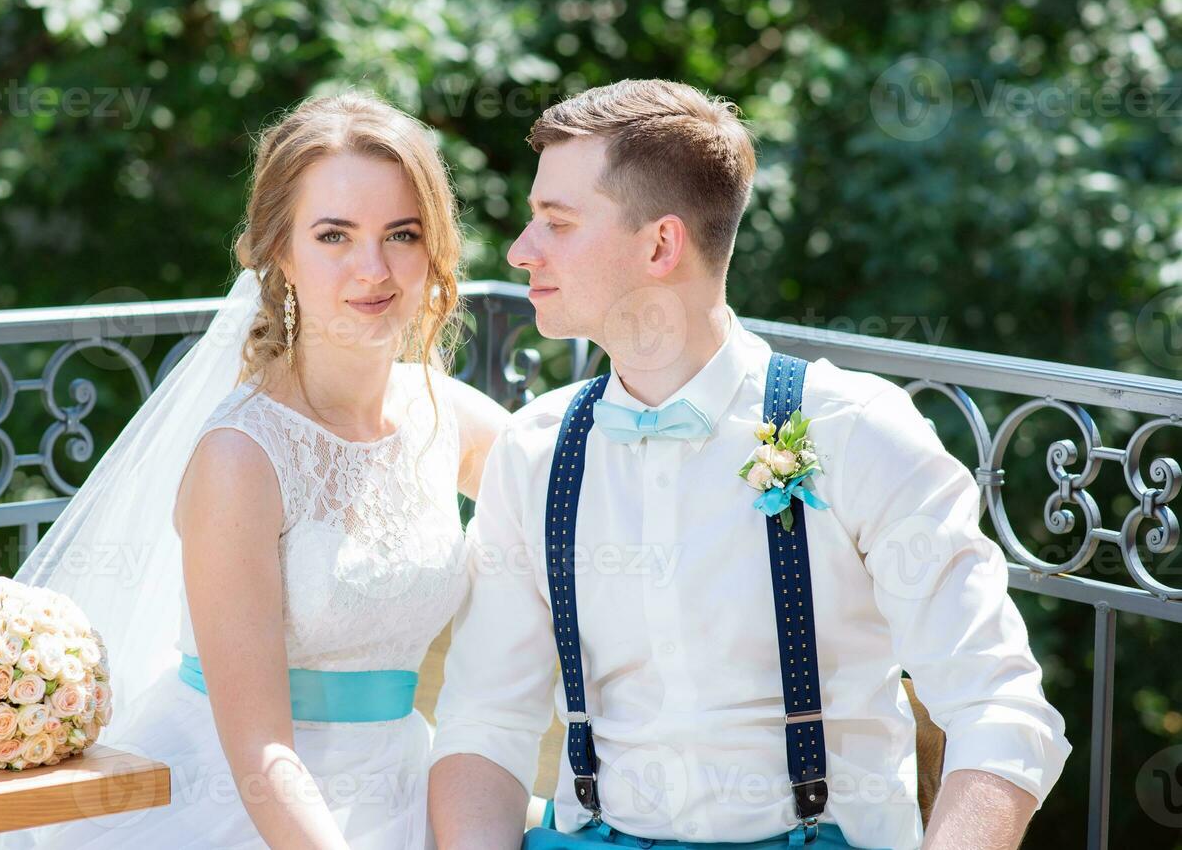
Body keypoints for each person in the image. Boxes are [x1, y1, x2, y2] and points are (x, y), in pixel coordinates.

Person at [427, 79, 1072, 850]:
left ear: (661, 245)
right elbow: (483, 723)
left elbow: (999, 707)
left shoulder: (855, 431)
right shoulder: (535, 452)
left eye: (555, 223)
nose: (519, 250)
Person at [0, 92, 507, 849]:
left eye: (401, 234)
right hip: (240, 804)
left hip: (403, 794)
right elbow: (260, 755)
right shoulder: (241, 456)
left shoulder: (450, 419)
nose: (373, 269)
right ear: (280, 252)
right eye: (334, 234)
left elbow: (583, 486)